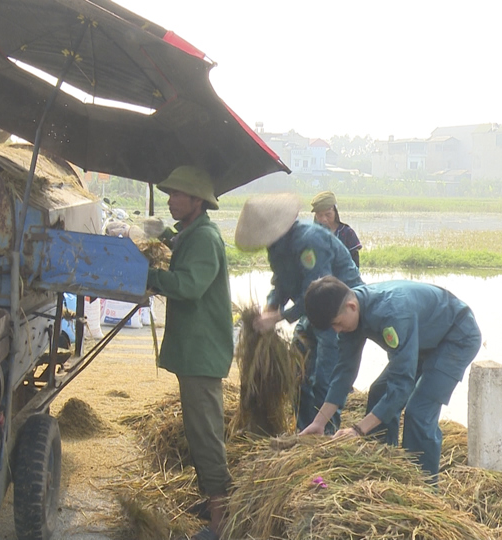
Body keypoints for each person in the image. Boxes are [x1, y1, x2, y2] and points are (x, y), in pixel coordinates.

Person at [300, 276, 482, 480]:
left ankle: (421, 485)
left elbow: (401, 385)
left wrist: (358, 430)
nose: (337, 330)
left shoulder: (391, 314)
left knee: (419, 412)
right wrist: (320, 421)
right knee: (379, 392)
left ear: (351, 306)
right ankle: (382, 465)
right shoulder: (353, 314)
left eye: (337, 324)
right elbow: (344, 372)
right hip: (421, 339)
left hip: (455, 337)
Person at [146, 165, 232, 540]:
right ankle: (213, 500)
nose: (170, 200)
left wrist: (145, 275)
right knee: (200, 431)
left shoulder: (205, 239)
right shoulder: (192, 233)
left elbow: (190, 285)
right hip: (195, 350)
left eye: (177, 194)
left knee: (205, 434)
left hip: (202, 351)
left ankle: (221, 520)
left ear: (196, 201)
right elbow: (180, 250)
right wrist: (160, 236)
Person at [234, 194, 363, 435]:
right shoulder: (276, 247)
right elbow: (281, 283)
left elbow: (316, 292)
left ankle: (326, 435)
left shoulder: (309, 240)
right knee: (297, 374)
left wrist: (279, 317)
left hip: (338, 314)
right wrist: (270, 306)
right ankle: (305, 432)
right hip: (312, 314)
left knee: (324, 378)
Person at [311, 191, 362, 268]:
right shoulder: (311, 235)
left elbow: (355, 265)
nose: (324, 219)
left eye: (328, 214)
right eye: (320, 215)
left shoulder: (347, 233)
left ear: (335, 212)